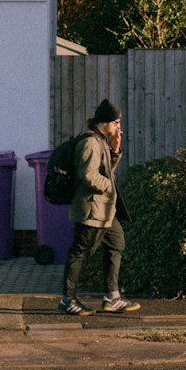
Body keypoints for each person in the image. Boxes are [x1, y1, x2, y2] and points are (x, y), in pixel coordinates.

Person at [59, 98, 140, 315]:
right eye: (116, 122)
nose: (118, 127)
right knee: (80, 252)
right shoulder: (90, 143)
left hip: (105, 211)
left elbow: (105, 171)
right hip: (92, 209)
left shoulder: (101, 141)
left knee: (117, 243)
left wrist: (114, 150)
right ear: (104, 122)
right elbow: (88, 175)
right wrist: (109, 187)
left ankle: (112, 296)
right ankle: (68, 299)